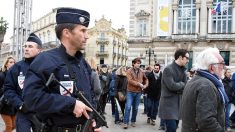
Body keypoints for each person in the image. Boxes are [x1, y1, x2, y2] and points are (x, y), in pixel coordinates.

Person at [22, 7, 101, 132]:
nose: (87, 36)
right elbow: (31, 99)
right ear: (67, 33)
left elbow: (90, 94)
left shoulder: (83, 63)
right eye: (83, 30)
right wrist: (70, 104)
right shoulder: (45, 60)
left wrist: (94, 119)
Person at [181, 47, 227, 131]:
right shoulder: (206, 85)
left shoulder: (197, 79)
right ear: (212, 68)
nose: (224, 67)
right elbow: (206, 121)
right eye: (222, 63)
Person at [4, 33, 42, 132]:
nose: (26, 49)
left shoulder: (46, 67)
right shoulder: (16, 68)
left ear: (39, 50)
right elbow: (8, 89)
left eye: (30, 46)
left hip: (42, 113)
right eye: (25, 46)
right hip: (23, 113)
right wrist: (20, 104)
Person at [158, 49, 189, 132]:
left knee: (173, 129)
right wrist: (182, 84)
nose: (188, 60)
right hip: (168, 105)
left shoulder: (183, 69)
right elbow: (172, 86)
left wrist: (181, 85)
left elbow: (186, 85)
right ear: (180, 57)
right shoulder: (168, 69)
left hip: (178, 104)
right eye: (186, 58)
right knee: (171, 129)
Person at [123, 58, 149, 129]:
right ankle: (125, 122)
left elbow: (146, 79)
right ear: (133, 64)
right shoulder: (129, 71)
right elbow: (130, 80)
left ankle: (133, 121)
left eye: (139, 63)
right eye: (137, 63)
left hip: (138, 92)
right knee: (128, 107)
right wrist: (139, 84)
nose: (138, 64)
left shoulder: (141, 71)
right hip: (130, 92)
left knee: (135, 108)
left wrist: (145, 85)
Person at [0, 56, 16, 132]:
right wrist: (6, 89)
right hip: (4, 105)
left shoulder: (16, 75)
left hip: (14, 104)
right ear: (6, 64)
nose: (13, 64)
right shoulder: (2, 75)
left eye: (14, 62)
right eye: (11, 62)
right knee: (9, 127)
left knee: (14, 126)